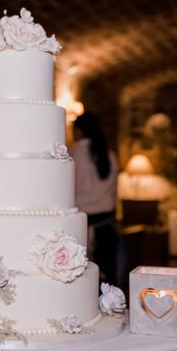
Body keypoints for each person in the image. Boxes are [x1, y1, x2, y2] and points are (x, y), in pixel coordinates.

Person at [71, 112, 120, 287]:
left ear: (78, 131)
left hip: (79, 228)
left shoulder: (72, 155)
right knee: (108, 285)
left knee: (81, 284)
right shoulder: (110, 156)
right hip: (106, 227)